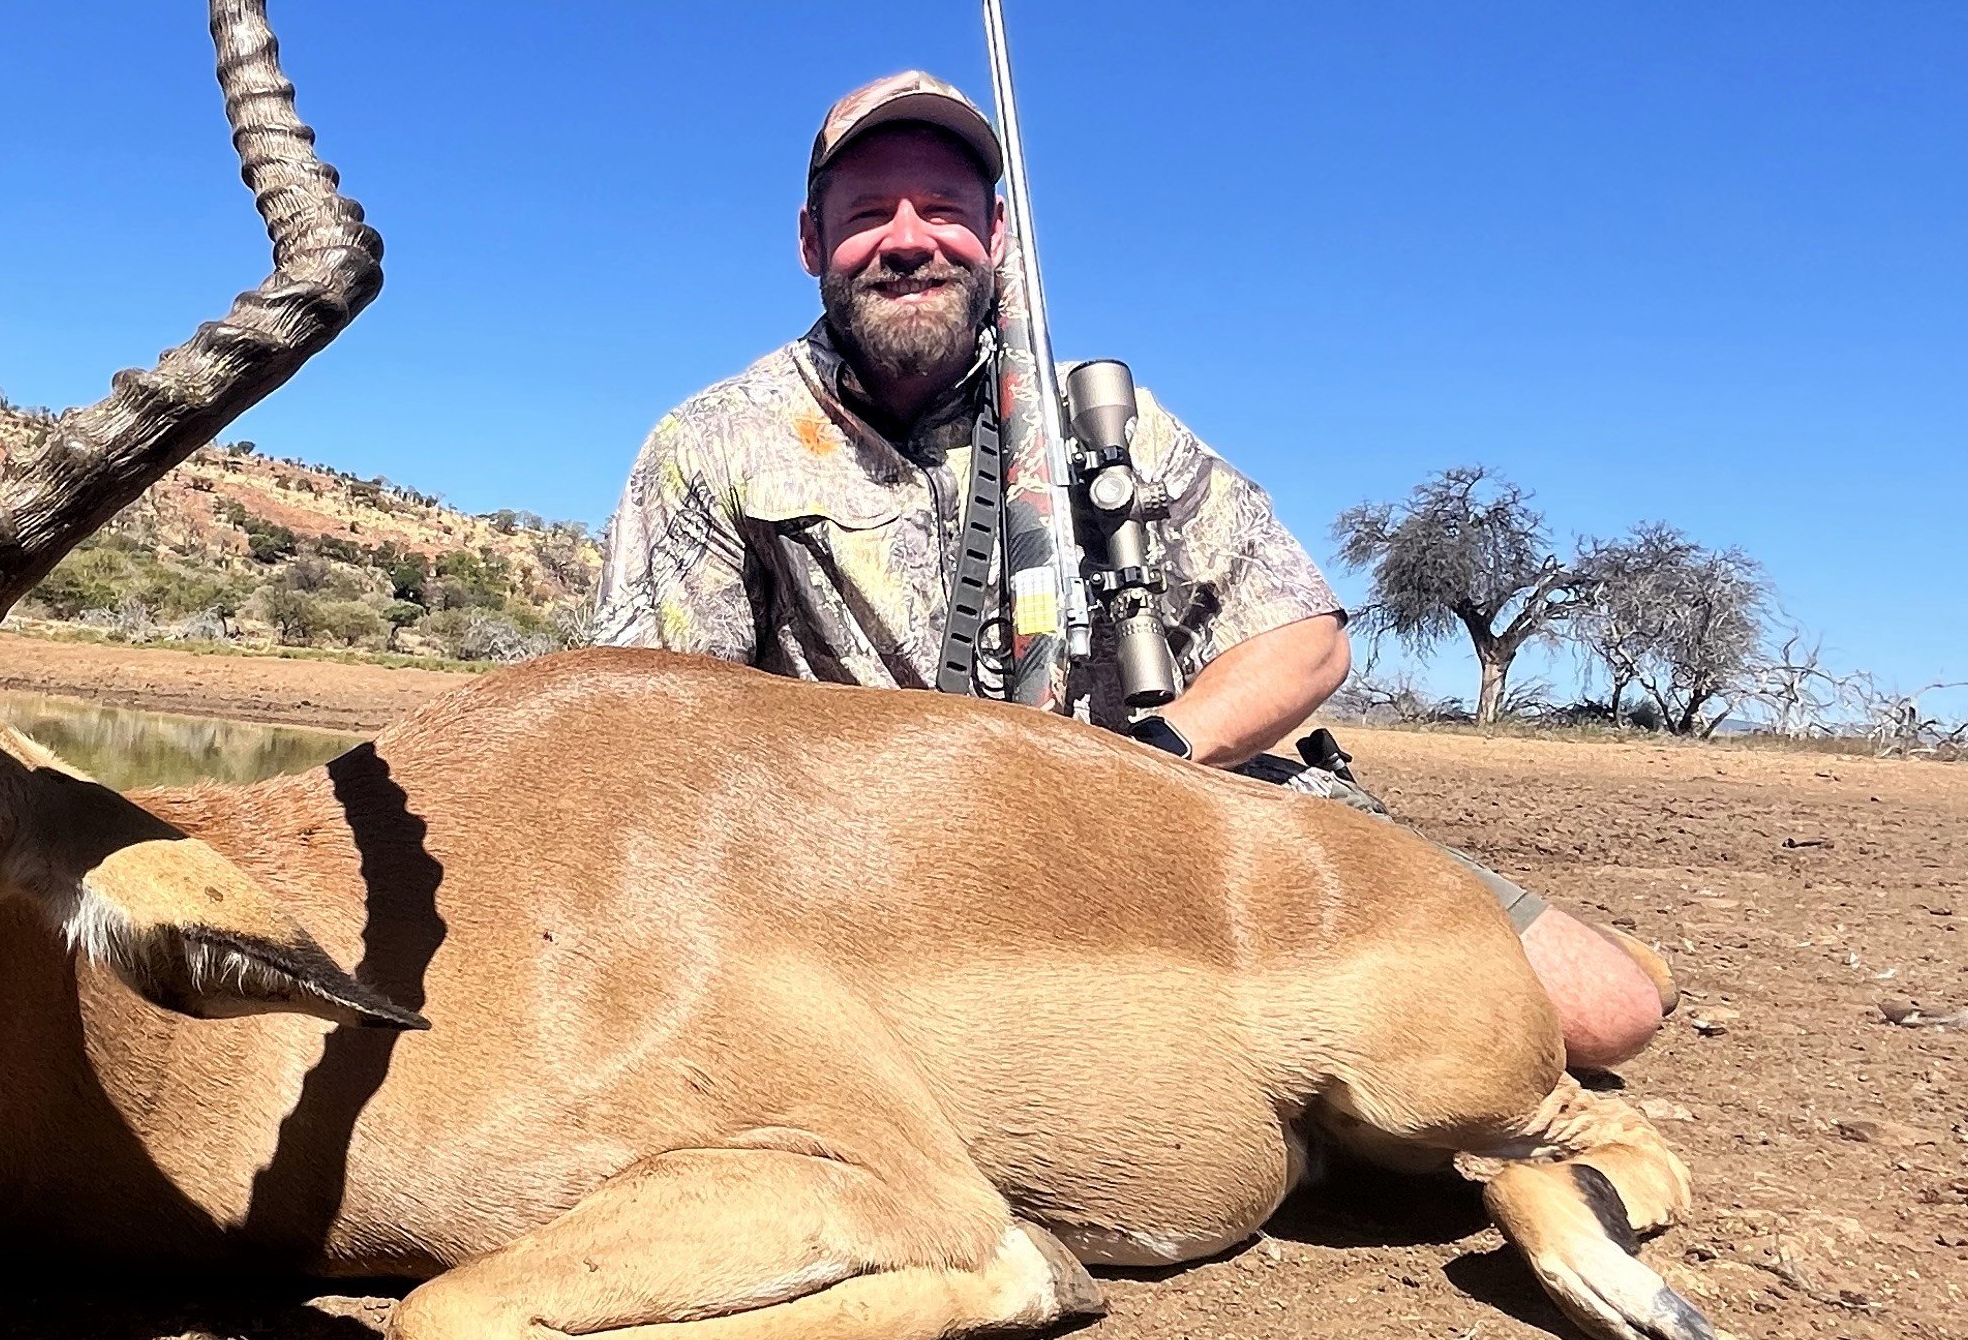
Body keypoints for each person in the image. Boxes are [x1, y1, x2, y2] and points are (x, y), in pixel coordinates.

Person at [594, 70, 1673, 1066]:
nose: (909, 241)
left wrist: (1144, 767)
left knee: (1603, 1011)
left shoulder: (1101, 417)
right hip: (869, 873)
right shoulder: (711, 445)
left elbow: (1305, 640)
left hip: (1155, 819)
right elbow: (650, 735)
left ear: (999, 234)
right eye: (870, 213)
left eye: (946, 211)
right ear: (808, 239)